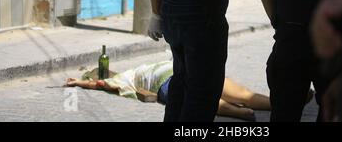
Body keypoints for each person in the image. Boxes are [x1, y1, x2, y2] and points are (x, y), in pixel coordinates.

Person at [65, 61, 273, 121]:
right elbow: (101, 84)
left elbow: (102, 84)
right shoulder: (123, 78)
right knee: (239, 94)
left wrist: (81, 82)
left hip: (176, 76)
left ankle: (239, 111)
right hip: (177, 74)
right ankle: (273, 103)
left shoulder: (125, 77)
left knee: (202, 98)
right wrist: (80, 83)